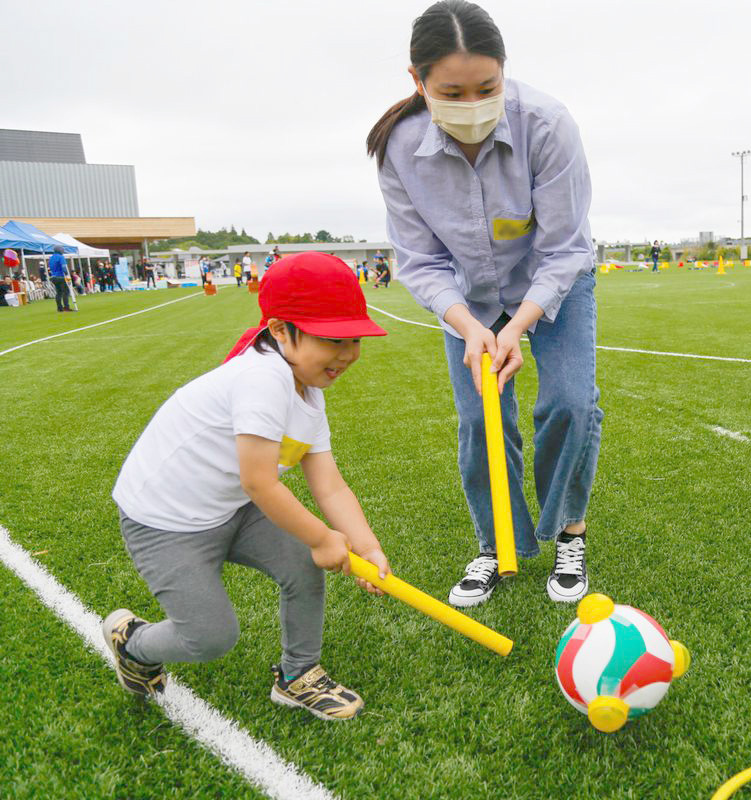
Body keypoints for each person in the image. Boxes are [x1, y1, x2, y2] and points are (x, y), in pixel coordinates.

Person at [369, 0, 602, 608]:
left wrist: (520, 324)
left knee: (570, 403)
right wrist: (473, 328)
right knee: (480, 419)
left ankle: (569, 532)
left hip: (557, 280)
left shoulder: (548, 124)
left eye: (487, 88)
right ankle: (497, 542)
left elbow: (563, 249)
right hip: (467, 296)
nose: (472, 105)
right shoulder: (399, 146)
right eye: (451, 91)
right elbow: (419, 260)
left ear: (505, 71)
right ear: (417, 83)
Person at [103, 252, 391, 720]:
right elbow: (259, 482)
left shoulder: (307, 391)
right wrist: (321, 538)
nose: (348, 352)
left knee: (302, 563)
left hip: (232, 508)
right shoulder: (262, 377)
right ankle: (133, 643)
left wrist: (365, 546)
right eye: (333, 338)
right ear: (279, 329)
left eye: (355, 338)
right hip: (165, 521)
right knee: (210, 636)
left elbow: (330, 486)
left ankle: (298, 676)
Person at [47, 246, 73, 312]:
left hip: (53, 277)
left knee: (58, 292)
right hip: (61, 276)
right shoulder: (61, 257)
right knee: (66, 292)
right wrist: (67, 274)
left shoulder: (51, 258)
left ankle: (59, 308)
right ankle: (66, 307)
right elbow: (64, 267)